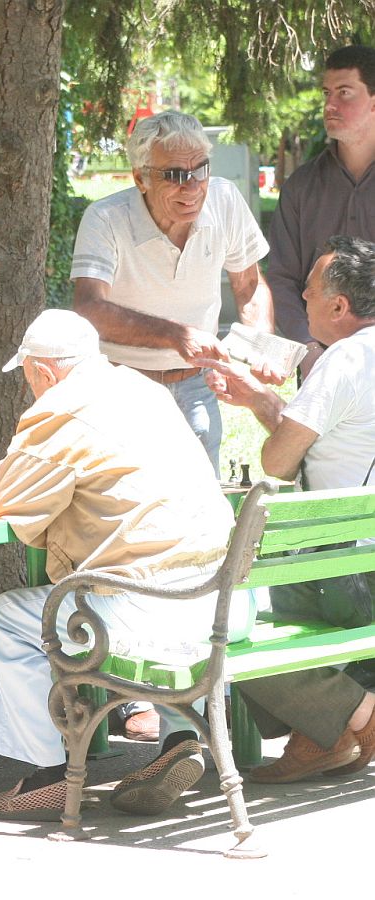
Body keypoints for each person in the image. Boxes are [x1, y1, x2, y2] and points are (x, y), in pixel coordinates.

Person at [0, 309, 252, 821]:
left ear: (43, 371)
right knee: (140, 573)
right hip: (224, 604)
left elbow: (12, 506)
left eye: (27, 377)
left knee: (8, 616)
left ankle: (47, 773)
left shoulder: (60, 407)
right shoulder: (143, 389)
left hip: (155, 613)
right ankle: (181, 737)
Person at [202, 235, 375, 782]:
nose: (301, 297)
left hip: (350, 575)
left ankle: (348, 718)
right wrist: (260, 400)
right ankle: (326, 728)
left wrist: (263, 409)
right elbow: (327, 444)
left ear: (339, 307)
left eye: (309, 293)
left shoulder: (346, 357)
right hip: (359, 563)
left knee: (216, 610)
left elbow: (278, 462)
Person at [70, 110, 275, 475]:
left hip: (197, 384)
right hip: (122, 385)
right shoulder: (106, 218)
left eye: (200, 169)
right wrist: (175, 336)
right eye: (176, 175)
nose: (193, 186)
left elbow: (250, 285)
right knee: (125, 506)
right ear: (140, 178)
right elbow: (89, 308)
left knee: (200, 509)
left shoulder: (225, 200)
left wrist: (260, 349)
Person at [268, 45, 375, 379]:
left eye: (344, 92)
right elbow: (282, 277)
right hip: (321, 367)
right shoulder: (301, 186)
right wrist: (308, 350)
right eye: (327, 93)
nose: (330, 104)